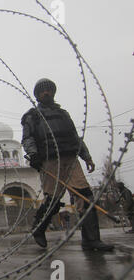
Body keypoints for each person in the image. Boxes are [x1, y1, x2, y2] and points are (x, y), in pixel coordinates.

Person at [21, 78, 114, 251]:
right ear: (38, 95)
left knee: (85, 196)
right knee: (53, 200)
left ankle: (91, 239)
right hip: (50, 160)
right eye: (43, 91)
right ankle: (39, 228)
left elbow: (74, 136)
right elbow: (27, 138)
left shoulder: (63, 114)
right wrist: (33, 155)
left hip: (71, 159)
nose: (46, 93)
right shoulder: (32, 116)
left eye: (49, 90)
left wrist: (86, 156)